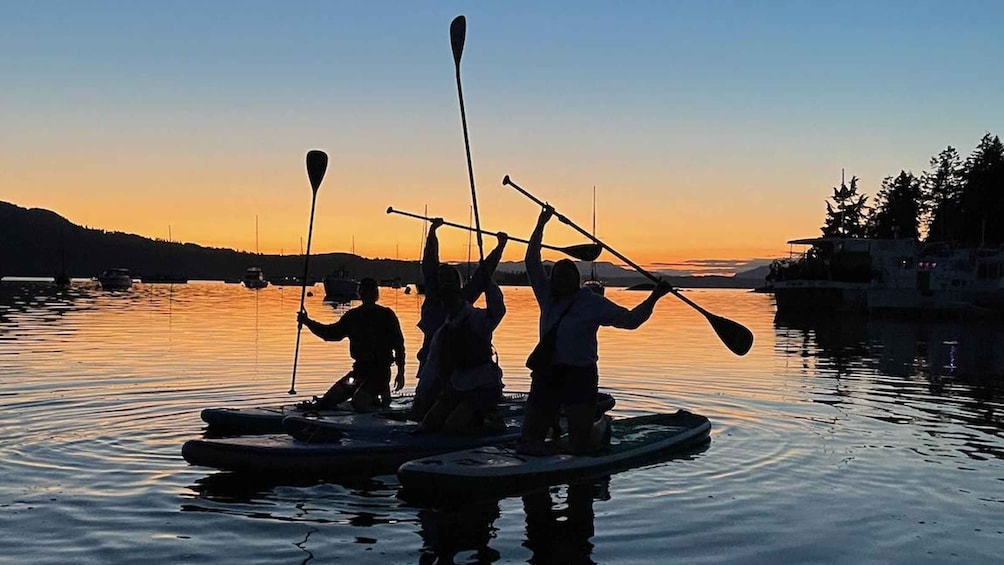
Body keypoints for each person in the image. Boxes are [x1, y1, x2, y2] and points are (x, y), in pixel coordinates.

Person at [519, 205, 672, 455]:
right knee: (529, 440)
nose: (561, 281)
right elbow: (531, 261)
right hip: (547, 373)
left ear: (576, 280)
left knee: (581, 445)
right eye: (557, 276)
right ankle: (554, 435)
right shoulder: (547, 296)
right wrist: (541, 223)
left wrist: (654, 297)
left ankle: (600, 427)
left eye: (567, 276)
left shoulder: (592, 303)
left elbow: (631, 320)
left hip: (579, 375)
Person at [413, 221, 508, 416]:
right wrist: (432, 234)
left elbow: (484, 274)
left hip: (460, 363)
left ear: (458, 283)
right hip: (433, 360)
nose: (445, 281)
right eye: (442, 277)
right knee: (425, 405)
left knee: (445, 404)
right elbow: (430, 264)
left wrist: (499, 248)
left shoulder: (465, 298)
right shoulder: (432, 297)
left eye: (450, 278)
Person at [296, 277, 406, 411]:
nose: (367, 294)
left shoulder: (387, 315)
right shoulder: (353, 316)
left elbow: (399, 345)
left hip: (380, 374)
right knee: (327, 401)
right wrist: (307, 322)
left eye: (369, 291)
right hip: (359, 372)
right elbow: (331, 333)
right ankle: (373, 397)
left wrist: (401, 372)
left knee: (359, 402)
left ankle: (378, 396)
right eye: (365, 291)